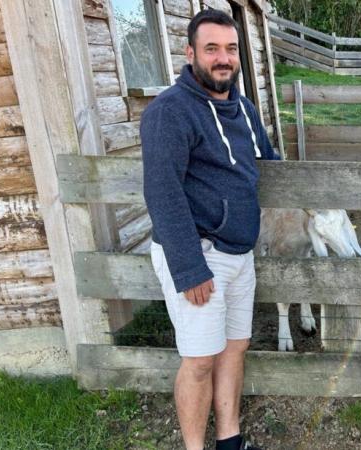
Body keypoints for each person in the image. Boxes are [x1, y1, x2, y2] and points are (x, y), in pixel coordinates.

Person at [141, 8, 279, 450]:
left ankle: (229, 440)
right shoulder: (170, 112)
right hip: (200, 254)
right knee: (199, 360)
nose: (224, 58)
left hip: (241, 253)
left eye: (231, 48)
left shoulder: (243, 107)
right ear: (190, 53)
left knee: (234, 349)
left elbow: (267, 163)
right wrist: (189, 267)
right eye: (212, 49)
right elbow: (162, 192)